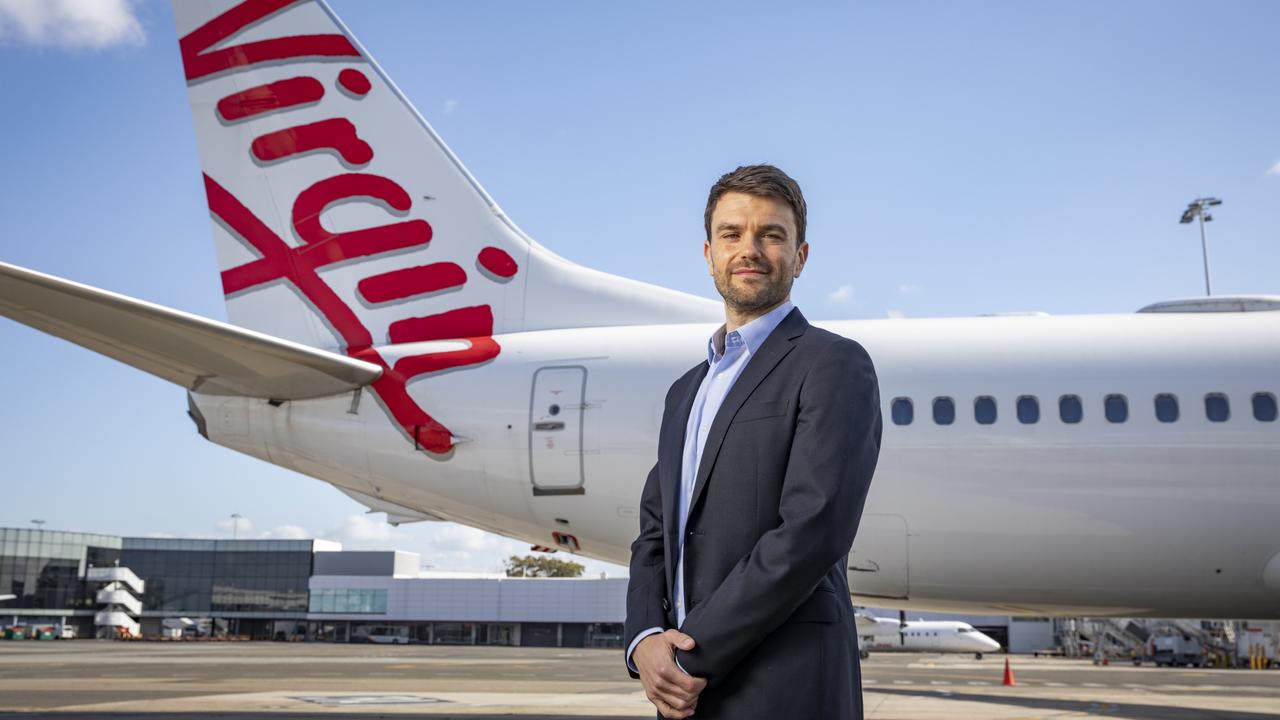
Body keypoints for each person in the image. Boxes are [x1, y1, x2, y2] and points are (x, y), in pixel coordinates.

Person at [623, 164, 883, 719]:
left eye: (772, 234)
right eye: (732, 234)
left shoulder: (832, 363)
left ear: (801, 256)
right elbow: (656, 532)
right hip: (684, 694)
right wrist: (646, 637)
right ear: (709, 253)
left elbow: (815, 529)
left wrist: (693, 656)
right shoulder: (685, 391)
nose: (751, 249)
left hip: (785, 687)